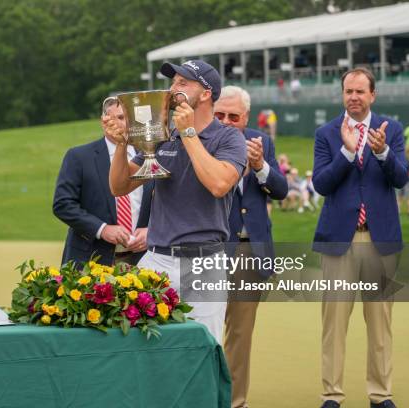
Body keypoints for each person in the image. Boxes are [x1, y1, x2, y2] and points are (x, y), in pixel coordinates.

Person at [108, 60, 247, 343]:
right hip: (156, 258)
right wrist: (121, 145)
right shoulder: (161, 134)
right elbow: (120, 186)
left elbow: (219, 184)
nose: (173, 89)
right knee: (144, 347)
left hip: (203, 263)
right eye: (173, 82)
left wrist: (188, 133)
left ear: (206, 93)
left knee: (203, 349)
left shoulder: (228, 137)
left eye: (183, 83)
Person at [312, 67, 407, 408]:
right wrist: (347, 153)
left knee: (380, 322)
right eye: (348, 91)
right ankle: (332, 395)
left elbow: (399, 179)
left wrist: (382, 153)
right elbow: (321, 183)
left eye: (359, 92)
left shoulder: (391, 130)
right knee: (334, 323)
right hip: (340, 241)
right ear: (343, 95)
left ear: (372, 95)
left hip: (381, 241)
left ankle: (380, 395)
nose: (353, 97)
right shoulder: (326, 133)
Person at [214, 86, 288, 408]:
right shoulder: (201, 141)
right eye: (220, 115)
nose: (226, 122)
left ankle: (234, 402)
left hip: (249, 250)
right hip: (209, 248)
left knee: (240, 334)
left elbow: (281, 190)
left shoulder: (262, 141)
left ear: (246, 116)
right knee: (203, 326)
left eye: (234, 116)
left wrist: (260, 166)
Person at [53, 97, 152, 266]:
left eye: (131, 118)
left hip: (142, 260)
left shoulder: (151, 156)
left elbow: (165, 203)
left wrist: (152, 231)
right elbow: (63, 204)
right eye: (120, 117)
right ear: (104, 121)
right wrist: (102, 229)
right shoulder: (79, 157)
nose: (126, 123)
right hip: (91, 258)